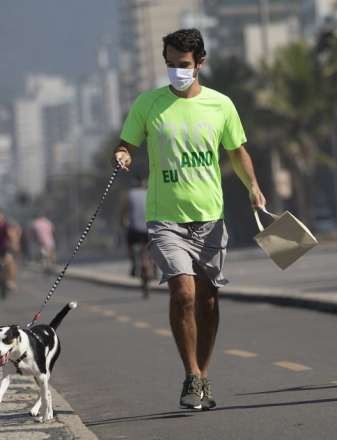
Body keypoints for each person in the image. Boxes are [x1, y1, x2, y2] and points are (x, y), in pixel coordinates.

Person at [112, 28, 266, 410]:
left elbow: (238, 151)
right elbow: (126, 143)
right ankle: (191, 375)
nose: (176, 72)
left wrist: (253, 186)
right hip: (165, 219)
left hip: (210, 218)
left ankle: (204, 372)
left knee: (209, 301)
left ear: (200, 63)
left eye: (183, 65)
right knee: (183, 292)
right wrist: (124, 155)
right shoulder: (148, 104)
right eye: (169, 65)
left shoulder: (221, 105)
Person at [120, 178, 148, 277]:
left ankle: (133, 264)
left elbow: (124, 212)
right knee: (154, 247)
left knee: (130, 244)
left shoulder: (129, 194)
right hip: (148, 229)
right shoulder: (150, 193)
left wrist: (123, 222)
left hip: (134, 229)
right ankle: (154, 267)